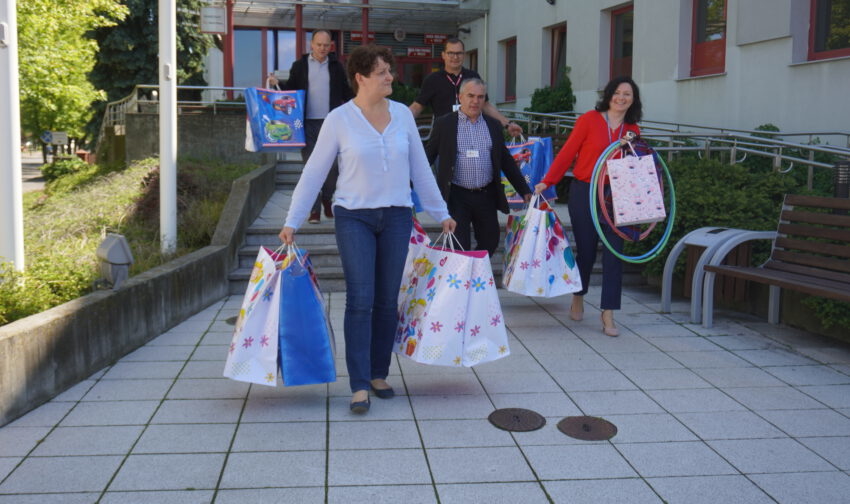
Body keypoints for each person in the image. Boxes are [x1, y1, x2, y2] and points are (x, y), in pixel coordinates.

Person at [279, 45, 456, 414]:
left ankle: (378, 374)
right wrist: (292, 220)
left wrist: (441, 213)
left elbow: (420, 169)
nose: (391, 77)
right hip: (354, 216)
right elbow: (313, 173)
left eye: (389, 70)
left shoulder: (402, 115)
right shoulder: (339, 119)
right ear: (360, 78)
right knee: (361, 299)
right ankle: (359, 384)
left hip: (397, 216)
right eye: (382, 72)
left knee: (387, 300)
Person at [534, 76, 643, 337]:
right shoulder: (589, 120)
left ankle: (608, 313)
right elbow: (568, 152)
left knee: (615, 253)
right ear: (609, 95)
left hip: (616, 195)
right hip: (584, 191)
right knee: (586, 251)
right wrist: (548, 181)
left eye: (627, 94)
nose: (621, 98)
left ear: (633, 100)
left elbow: (635, 166)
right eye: (617, 92)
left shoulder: (632, 130)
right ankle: (578, 294)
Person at [425, 78, 531, 256]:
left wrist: (524, 190)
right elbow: (428, 156)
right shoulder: (445, 124)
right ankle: (466, 272)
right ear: (460, 97)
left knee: (490, 241)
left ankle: (476, 270)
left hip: (486, 195)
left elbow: (505, 160)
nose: (475, 101)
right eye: (471, 96)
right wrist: (409, 182)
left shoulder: (493, 125)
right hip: (457, 195)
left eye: (480, 97)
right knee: (459, 246)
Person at [269, 29, 354, 224]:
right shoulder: (299, 65)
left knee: (334, 167)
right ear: (311, 44)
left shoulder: (336, 66)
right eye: (319, 44)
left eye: (326, 45)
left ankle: (327, 197)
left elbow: (345, 92)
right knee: (311, 168)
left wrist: (363, 103)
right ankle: (314, 210)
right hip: (305, 124)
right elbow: (290, 90)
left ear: (330, 46)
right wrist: (276, 83)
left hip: (331, 124)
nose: (322, 48)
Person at [409, 38, 523, 138]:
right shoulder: (433, 80)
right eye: (451, 53)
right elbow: (417, 106)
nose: (455, 57)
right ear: (443, 55)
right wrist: (399, 122)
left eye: (459, 53)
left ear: (463, 54)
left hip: (472, 135)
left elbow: (485, 105)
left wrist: (508, 124)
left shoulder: (473, 76)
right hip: (444, 136)